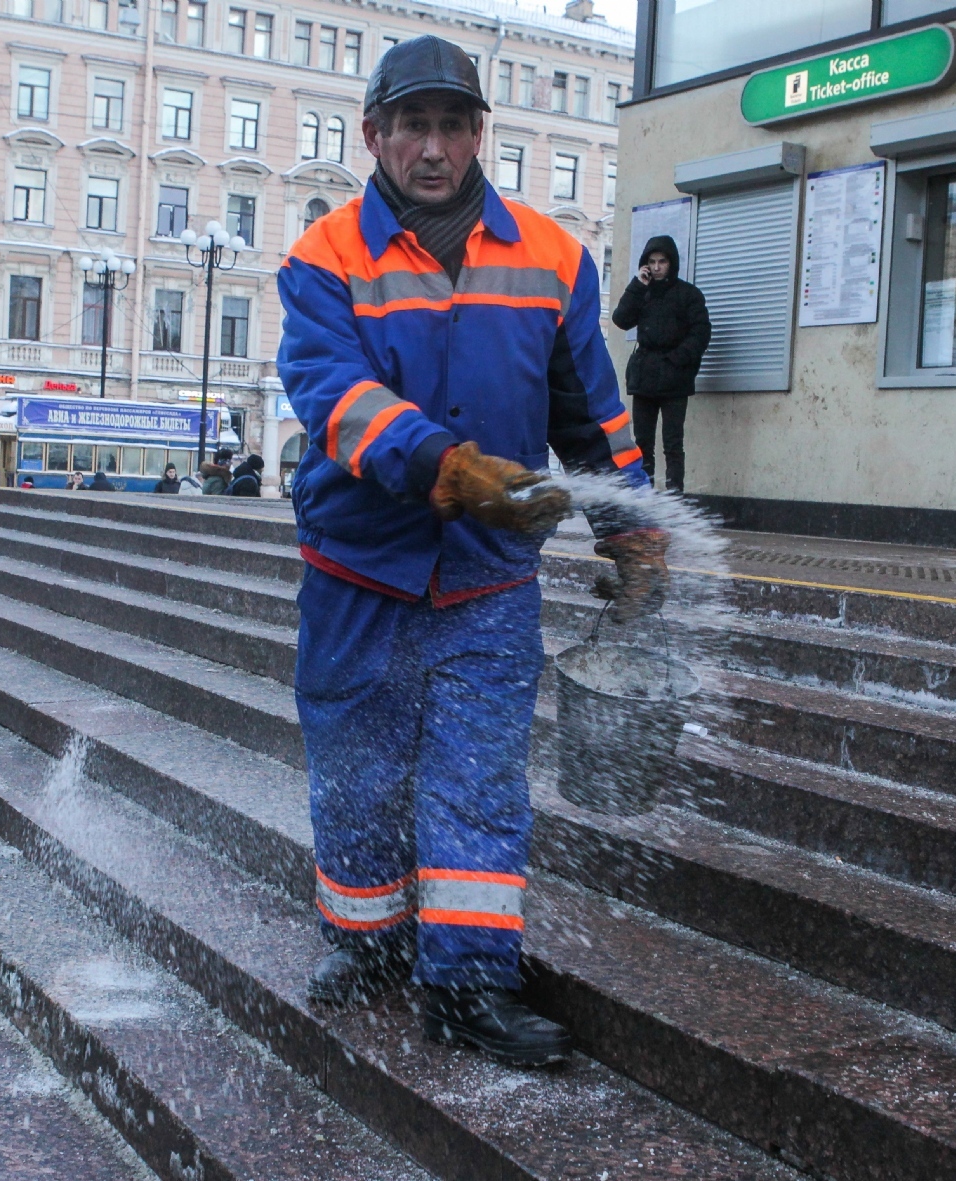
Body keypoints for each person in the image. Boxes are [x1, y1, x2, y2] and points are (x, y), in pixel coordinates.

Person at [278, 35, 667, 1069]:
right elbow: (336, 400)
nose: (435, 146)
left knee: (475, 779)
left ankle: (467, 983)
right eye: (414, 125)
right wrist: (447, 469)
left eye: (454, 124)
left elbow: (592, 414)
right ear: (374, 135)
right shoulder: (323, 259)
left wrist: (629, 529)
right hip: (360, 569)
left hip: (489, 582)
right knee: (357, 778)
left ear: (477, 133)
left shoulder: (551, 256)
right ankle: (365, 941)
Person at [609, 235, 710, 494]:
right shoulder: (643, 292)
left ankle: (675, 498)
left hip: (675, 378)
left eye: (662, 261)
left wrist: (679, 359)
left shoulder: (688, 295)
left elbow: (700, 333)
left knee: (673, 443)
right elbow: (621, 319)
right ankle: (645, 495)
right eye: (652, 262)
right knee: (642, 442)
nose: (656, 267)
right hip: (645, 377)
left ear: (671, 263)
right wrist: (637, 286)